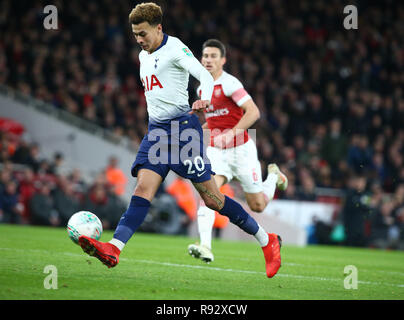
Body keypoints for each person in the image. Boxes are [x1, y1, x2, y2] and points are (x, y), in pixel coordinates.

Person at [78, 2, 282, 278]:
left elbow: (203, 76)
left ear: (159, 28)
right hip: (157, 133)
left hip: (184, 132)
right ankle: (114, 247)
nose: (139, 40)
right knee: (142, 191)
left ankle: (266, 241)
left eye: (143, 34)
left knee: (213, 199)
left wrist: (205, 99)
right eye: (135, 34)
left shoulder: (175, 48)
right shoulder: (143, 56)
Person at [187, 39, 288, 263]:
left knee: (258, 205)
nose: (208, 60)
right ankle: (204, 245)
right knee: (208, 192)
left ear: (223, 60)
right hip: (217, 152)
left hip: (241, 151)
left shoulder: (230, 84)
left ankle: (273, 177)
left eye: (213, 56)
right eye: (205, 56)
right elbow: (213, 123)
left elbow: (253, 112)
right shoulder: (201, 88)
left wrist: (232, 133)